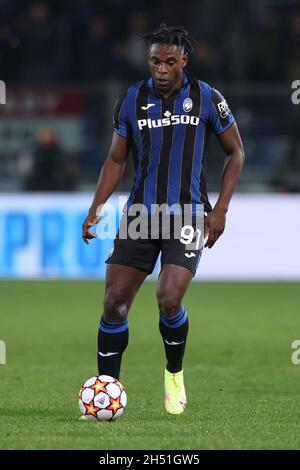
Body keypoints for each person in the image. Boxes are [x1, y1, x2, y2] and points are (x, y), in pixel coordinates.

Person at [82, 24, 245, 415]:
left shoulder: (208, 98)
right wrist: (97, 207)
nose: (161, 68)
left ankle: (174, 373)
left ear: (184, 60)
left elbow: (236, 153)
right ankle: (109, 388)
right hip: (140, 214)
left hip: (187, 214)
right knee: (114, 304)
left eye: (170, 61)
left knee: (168, 298)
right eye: (155, 60)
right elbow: (116, 160)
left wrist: (220, 209)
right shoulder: (132, 99)